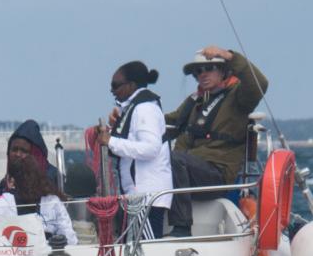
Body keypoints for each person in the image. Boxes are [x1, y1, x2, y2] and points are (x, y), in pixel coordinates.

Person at [165, 45, 268, 236]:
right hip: (189, 170)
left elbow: (259, 83)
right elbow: (166, 122)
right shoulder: (195, 102)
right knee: (156, 160)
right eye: (198, 71)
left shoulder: (238, 97)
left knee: (175, 159)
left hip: (217, 173)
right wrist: (126, 121)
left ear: (223, 71)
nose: (202, 74)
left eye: (209, 68)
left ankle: (182, 228)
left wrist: (229, 56)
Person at [96, 60, 173, 238]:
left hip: (148, 197)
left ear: (131, 85)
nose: (112, 91)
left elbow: (151, 148)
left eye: (115, 85)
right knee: (134, 249)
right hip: (137, 197)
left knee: (145, 250)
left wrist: (111, 141)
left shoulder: (145, 109)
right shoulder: (133, 108)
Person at [0, 156, 77, 244]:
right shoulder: (53, 202)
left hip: (10, 252)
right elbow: (70, 240)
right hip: (48, 252)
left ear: (10, 180)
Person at [0, 119, 61, 197]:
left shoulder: (53, 177)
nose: (18, 154)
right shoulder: (6, 182)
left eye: (24, 151)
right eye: (14, 150)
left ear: (36, 155)